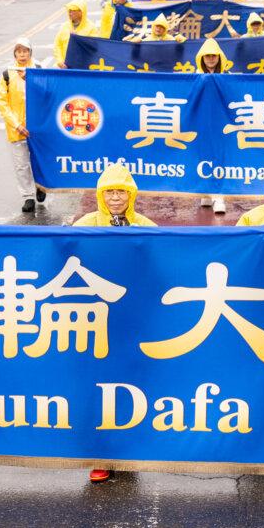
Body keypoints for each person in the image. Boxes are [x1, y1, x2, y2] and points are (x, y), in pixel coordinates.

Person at [74, 163, 155, 485]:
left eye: (121, 191)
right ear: (100, 195)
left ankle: (128, 448)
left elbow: (162, 265)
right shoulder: (84, 225)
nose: (116, 198)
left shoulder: (148, 226)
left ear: (131, 194)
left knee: (132, 385)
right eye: (109, 192)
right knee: (97, 386)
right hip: (94, 321)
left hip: (133, 320)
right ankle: (100, 457)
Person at [0, 37, 45, 213]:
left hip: (38, 126)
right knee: (21, 164)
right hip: (17, 129)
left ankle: (41, 186)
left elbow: (47, 92)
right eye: (19, 51)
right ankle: (28, 197)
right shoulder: (7, 73)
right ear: (15, 54)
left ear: (30, 52)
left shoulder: (38, 69)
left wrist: (29, 80)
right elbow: (2, 102)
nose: (22, 55)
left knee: (39, 159)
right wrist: (16, 124)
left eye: (25, 51)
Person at [195, 38, 230, 215]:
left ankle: (219, 196)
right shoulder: (194, 76)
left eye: (213, 56)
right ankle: (206, 193)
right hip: (201, 124)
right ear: (202, 57)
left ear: (219, 57)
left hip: (219, 124)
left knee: (219, 157)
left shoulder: (226, 76)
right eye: (207, 56)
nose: (210, 59)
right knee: (202, 157)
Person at [53, 0, 97, 66]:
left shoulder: (91, 27)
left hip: (83, 67)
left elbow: (94, 47)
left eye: (73, 11)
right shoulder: (64, 26)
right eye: (69, 11)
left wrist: (78, 38)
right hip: (65, 67)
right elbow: (57, 45)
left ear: (80, 12)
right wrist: (60, 61)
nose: (70, 13)